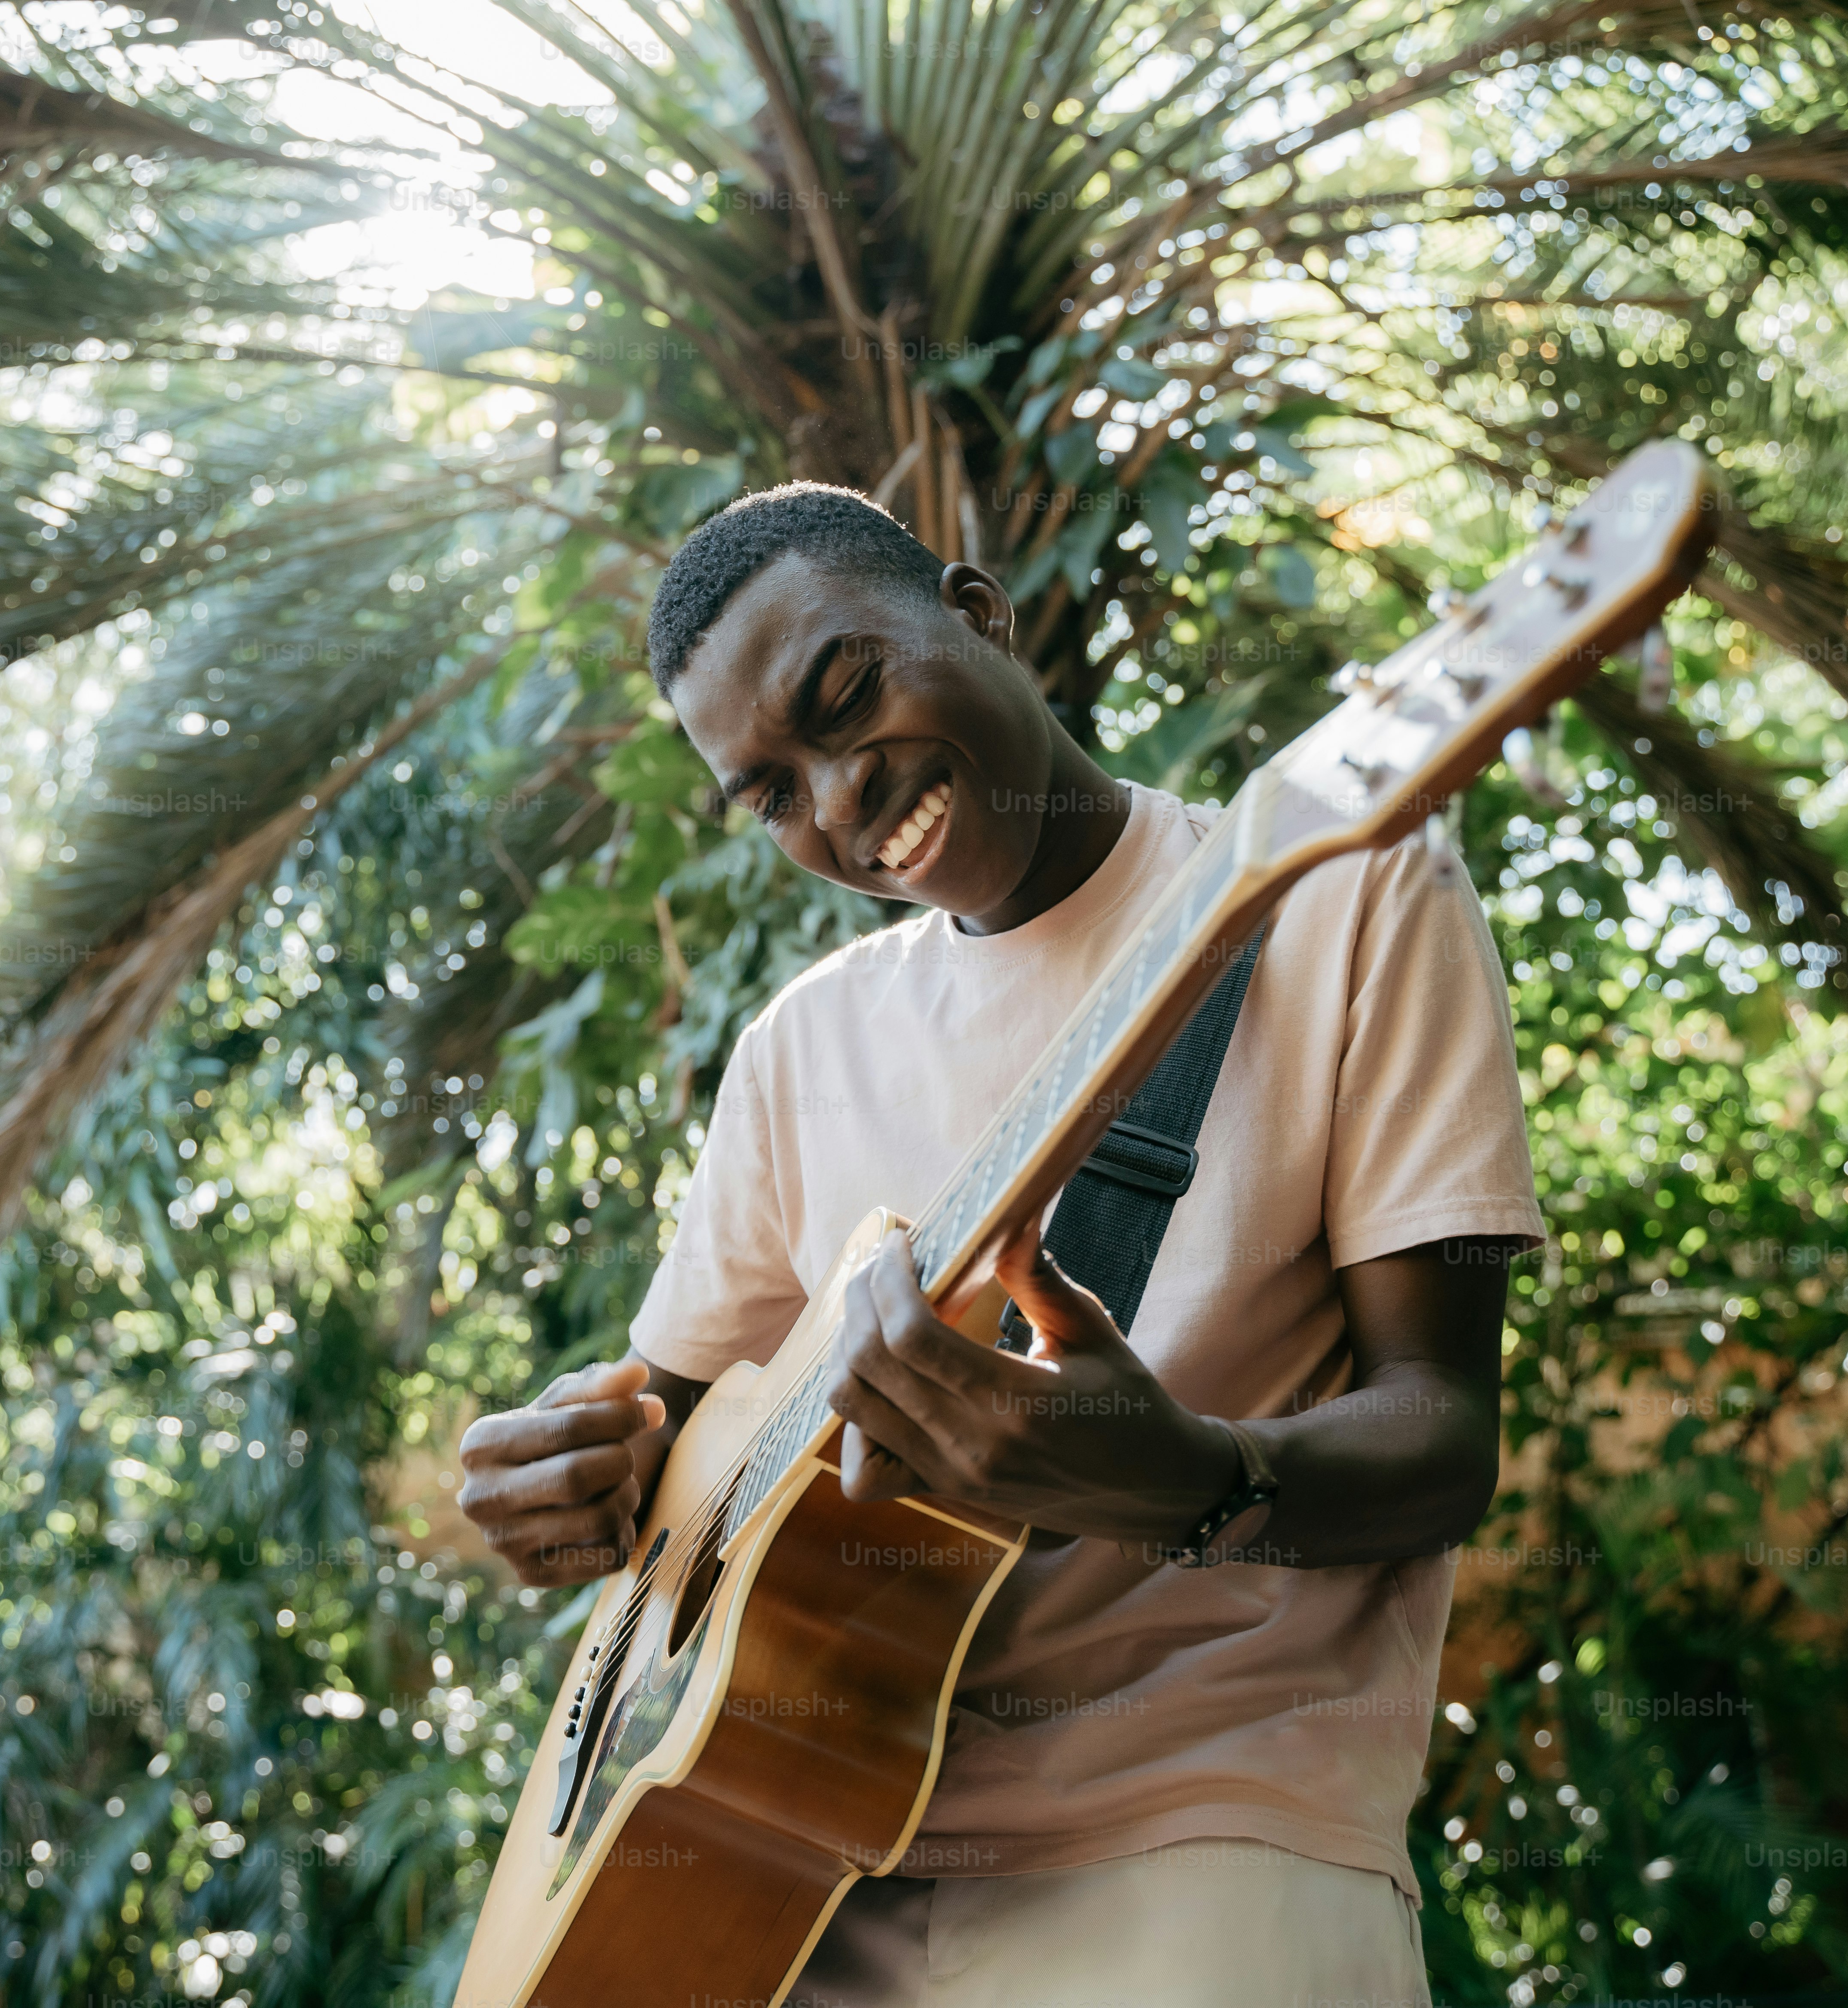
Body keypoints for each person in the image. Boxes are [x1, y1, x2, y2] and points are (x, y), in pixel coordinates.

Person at [455, 482, 1545, 2008]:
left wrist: (1192, 1479)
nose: (837, 802)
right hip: (798, 1862)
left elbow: (1447, 1433)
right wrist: (572, 1479)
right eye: (770, 794)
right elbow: (678, 1438)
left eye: (848, 700)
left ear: (978, 614)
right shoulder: (800, 1048)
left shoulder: (1340, 897)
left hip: (1206, 1828)